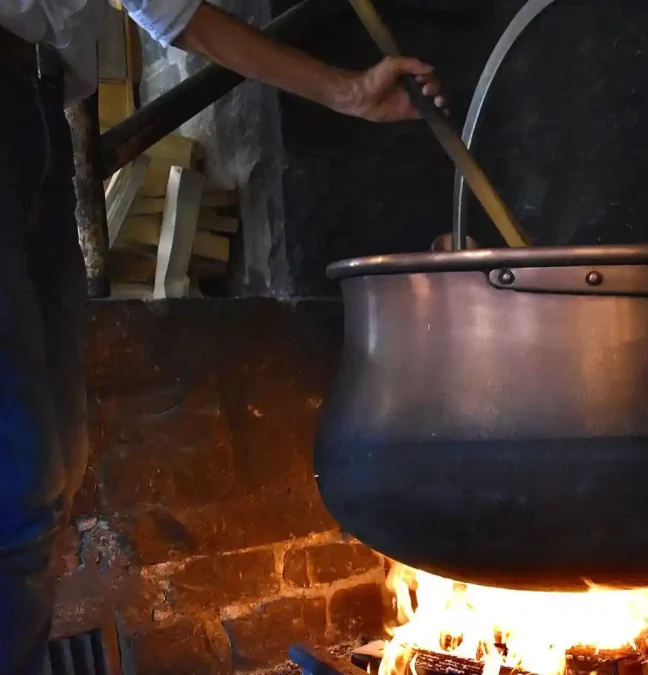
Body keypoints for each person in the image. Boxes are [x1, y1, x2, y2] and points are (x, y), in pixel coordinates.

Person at [0, 2, 445, 671]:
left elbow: (170, 10)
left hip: (37, 116)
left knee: (48, 476)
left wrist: (347, 93)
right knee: (20, 472)